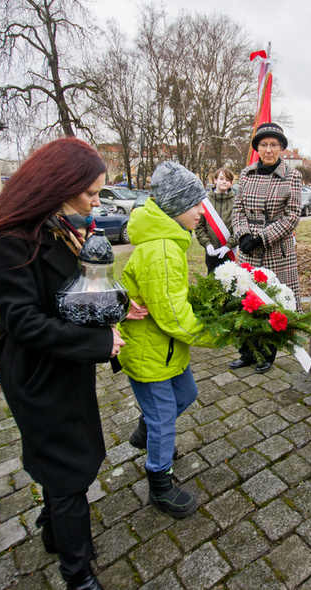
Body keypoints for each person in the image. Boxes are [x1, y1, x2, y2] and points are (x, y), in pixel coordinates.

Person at [0, 138, 143, 590]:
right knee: (68, 471)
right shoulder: (9, 237)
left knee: (63, 455)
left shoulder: (56, 225)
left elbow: (76, 293)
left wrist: (113, 307)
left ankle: (52, 529)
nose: (96, 202)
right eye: (91, 193)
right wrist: (99, 343)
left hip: (63, 364)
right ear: (58, 184)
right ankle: (78, 575)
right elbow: (24, 321)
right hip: (37, 370)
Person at [118, 161, 217, 519]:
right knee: (164, 419)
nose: (201, 212)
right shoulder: (160, 251)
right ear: (175, 208)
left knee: (186, 394)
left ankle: (146, 431)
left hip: (166, 349)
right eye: (195, 205)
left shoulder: (170, 242)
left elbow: (172, 300)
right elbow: (173, 317)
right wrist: (218, 334)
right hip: (150, 353)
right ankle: (159, 483)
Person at [230, 122, 302, 373]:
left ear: (281, 148)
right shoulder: (247, 173)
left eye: (274, 145)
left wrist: (262, 237)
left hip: (275, 250)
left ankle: (268, 352)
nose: (269, 149)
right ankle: (247, 351)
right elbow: (237, 210)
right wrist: (241, 236)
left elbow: (293, 215)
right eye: (264, 145)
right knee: (246, 300)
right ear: (257, 148)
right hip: (248, 249)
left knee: (273, 301)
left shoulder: (292, 176)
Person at [194, 166, 237, 274]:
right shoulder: (205, 202)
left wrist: (228, 246)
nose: (224, 182)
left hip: (230, 252)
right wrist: (207, 244)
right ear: (215, 180)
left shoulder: (236, 203)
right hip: (212, 253)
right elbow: (199, 227)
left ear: (231, 183)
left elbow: (239, 228)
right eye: (221, 178)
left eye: (227, 180)